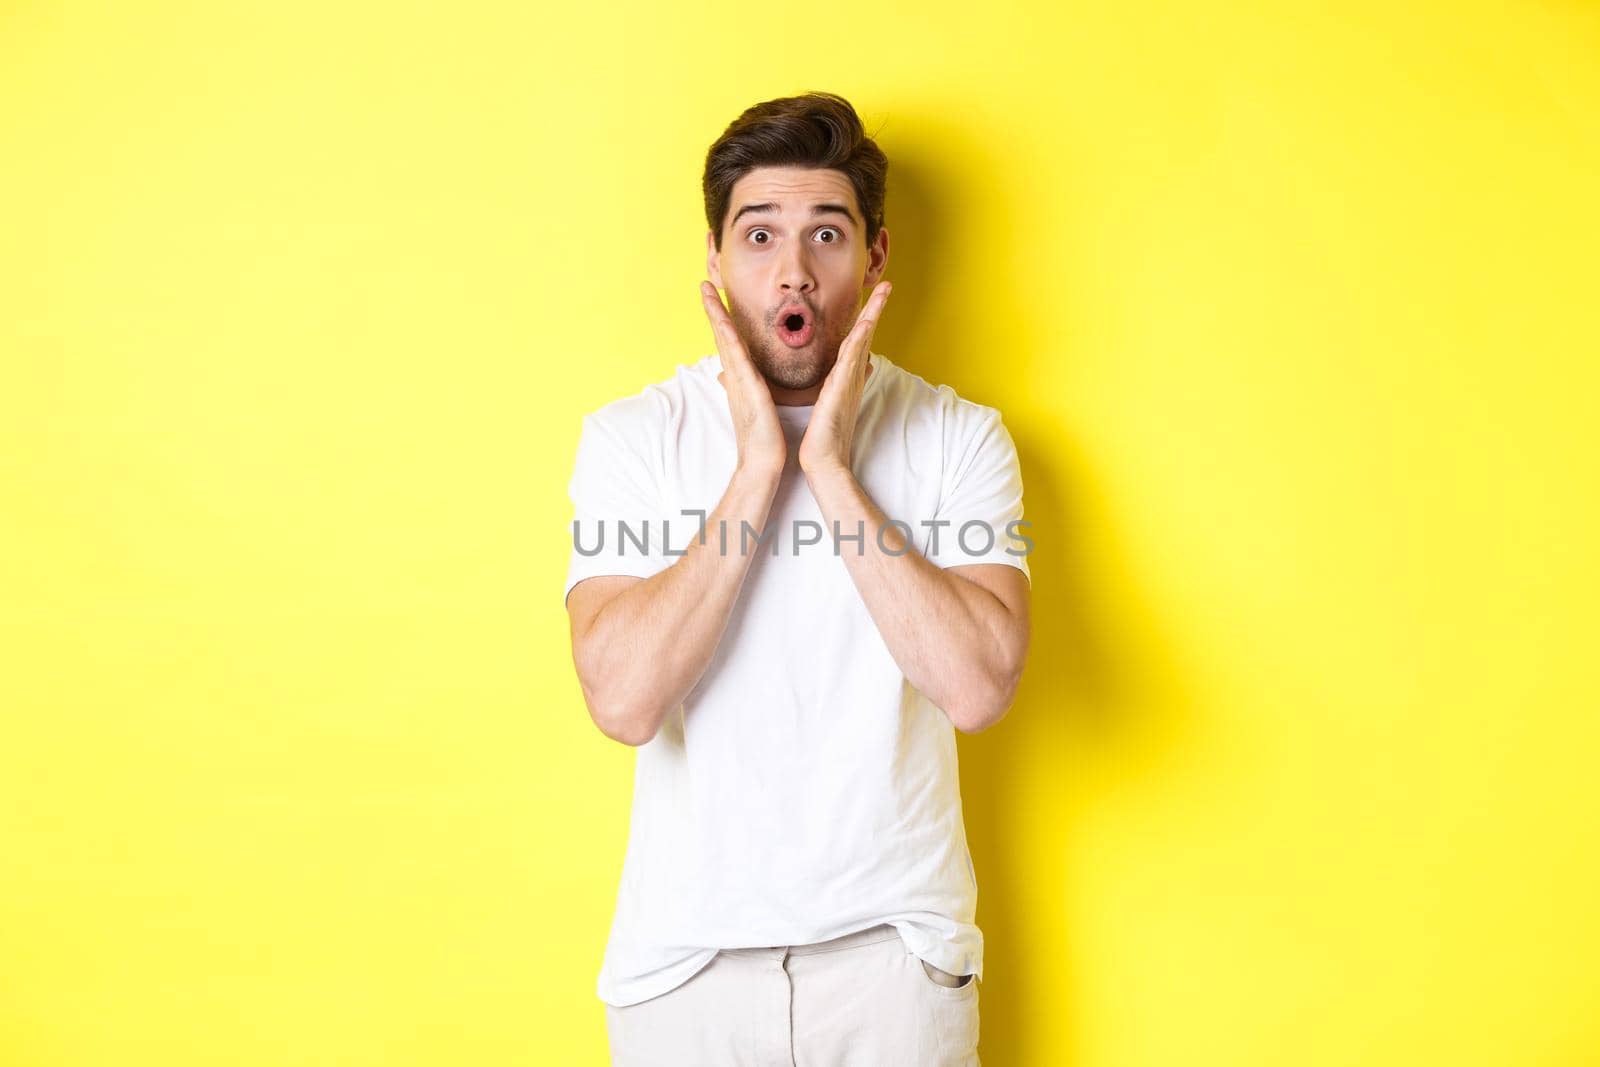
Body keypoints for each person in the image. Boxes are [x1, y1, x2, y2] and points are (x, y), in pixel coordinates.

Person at [563, 90, 1032, 1066]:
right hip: (683, 972)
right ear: (715, 259)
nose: (794, 269)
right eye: (759, 233)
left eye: (827, 232)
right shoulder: (633, 439)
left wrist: (827, 466)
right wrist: (758, 468)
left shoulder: (958, 436)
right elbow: (624, 699)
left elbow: (979, 684)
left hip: (894, 966)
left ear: (875, 256)